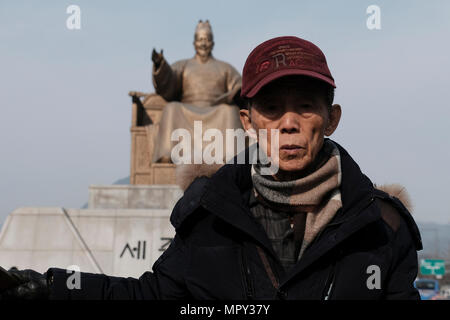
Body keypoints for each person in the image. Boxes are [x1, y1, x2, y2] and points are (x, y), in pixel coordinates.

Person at [0, 36, 422, 300]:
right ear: (249, 122)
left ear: (331, 118)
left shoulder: (380, 224)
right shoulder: (213, 214)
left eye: (306, 107)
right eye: (271, 109)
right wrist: (55, 288)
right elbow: (155, 295)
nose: (288, 122)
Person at [150, 20, 243, 163]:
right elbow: (169, 81)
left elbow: (239, 84)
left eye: (206, 40)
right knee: (171, 108)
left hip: (216, 110)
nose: (203, 44)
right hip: (187, 110)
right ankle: (167, 155)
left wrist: (234, 92)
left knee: (229, 111)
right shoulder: (183, 65)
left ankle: (231, 157)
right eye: (200, 40)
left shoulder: (225, 68)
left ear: (212, 43)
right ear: (194, 43)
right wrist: (160, 65)